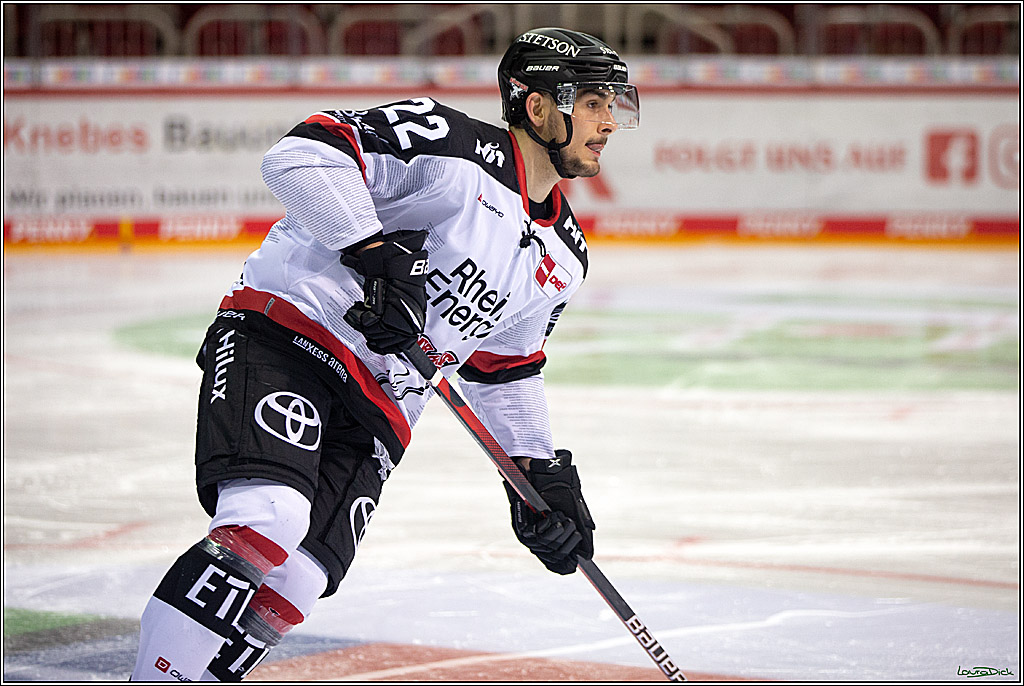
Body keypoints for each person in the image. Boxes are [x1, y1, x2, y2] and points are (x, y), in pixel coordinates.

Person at [131, 26, 640, 681]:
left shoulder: (565, 254)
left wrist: (537, 475)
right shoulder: (452, 144)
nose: (610, 122)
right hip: (292, 337)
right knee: (269, 518)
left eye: (614, 104)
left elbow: (503, 367)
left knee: (300, 578)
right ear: (537, 107)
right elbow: (299, 155)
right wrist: (372, 254)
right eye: (593, 103)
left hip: (383, 405)